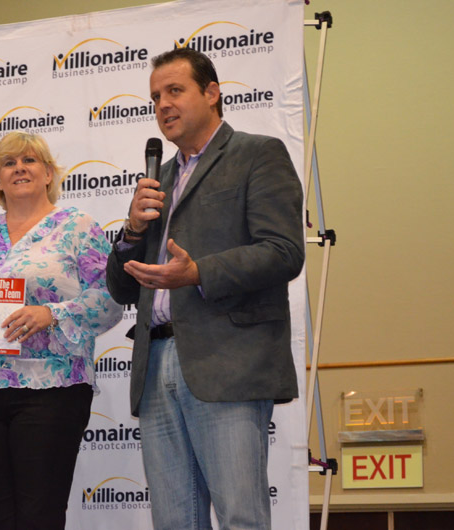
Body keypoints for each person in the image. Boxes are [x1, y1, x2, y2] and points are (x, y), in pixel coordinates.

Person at [106, 48, 305, 530]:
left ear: (212, 93)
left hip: (227, 361)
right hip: (155, 363)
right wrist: (131, 231)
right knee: (174, 521)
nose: (163, 105)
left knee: (241, 517)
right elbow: (121, 289)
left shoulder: (257, 154)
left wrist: (198, 273)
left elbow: (283, 252)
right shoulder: (157, 179)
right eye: (156, 97)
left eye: (175, 91)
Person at [0, 131, 122, 529]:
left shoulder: (77, 227)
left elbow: (109, 300)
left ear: (49, 174)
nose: (19, 168)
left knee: (40, 515)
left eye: (30, 160)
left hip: (51, 389)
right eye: (9, 163)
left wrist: (51, 313)